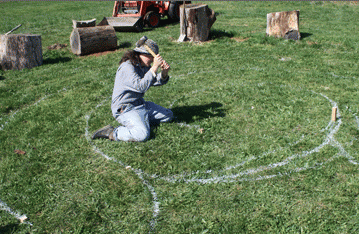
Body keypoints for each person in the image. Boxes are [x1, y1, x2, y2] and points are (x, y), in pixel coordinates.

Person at [91, 38, 173, 142]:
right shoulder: (127, 67)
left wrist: (164, 74)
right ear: (140, 54)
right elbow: (140, 86)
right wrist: (154, 67)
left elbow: (151, 81)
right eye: (150, 57)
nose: (152, 60)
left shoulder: (143, 66)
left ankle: (142, 121)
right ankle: (111, 132)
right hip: (125, 109)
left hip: (140, 104)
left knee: (168, 115)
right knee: (142, 135)